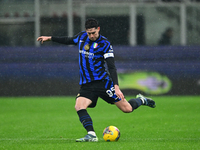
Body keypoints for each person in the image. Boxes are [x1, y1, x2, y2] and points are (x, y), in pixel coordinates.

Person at [37, 18, 156, 142]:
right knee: (79, 106)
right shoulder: (82, 37)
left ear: (98, 29)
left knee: (127, 109)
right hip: (87, 84)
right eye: (89, 33)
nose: (91, 36)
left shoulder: (105, 44)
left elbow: (111, 67)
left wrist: (116, 86)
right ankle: (91, 135)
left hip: (103, 83)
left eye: (94, 33)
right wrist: (50, 38)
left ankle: (141, 100)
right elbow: (68, 40)